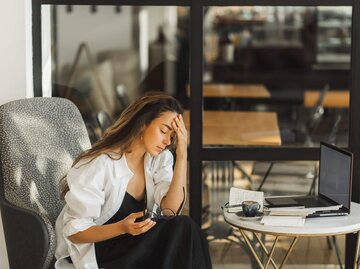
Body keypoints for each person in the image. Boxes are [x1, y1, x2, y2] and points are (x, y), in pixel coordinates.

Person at [54, 92, 212, 269]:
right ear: (143, 124)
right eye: (163, 131)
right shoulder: (100, 164)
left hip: (136, 245)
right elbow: (75, 232)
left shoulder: (159, 159)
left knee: (183, 229)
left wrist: (183, 154)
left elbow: (170, 210)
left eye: (173, 137)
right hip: (101, 251)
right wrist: (121, 227)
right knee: (183, 229)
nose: (167, 141)